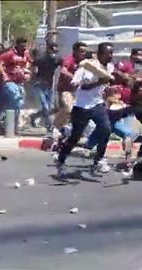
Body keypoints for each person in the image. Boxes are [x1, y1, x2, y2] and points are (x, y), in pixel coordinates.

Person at [56, 42, 115, 176]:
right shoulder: (86, 67)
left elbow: (111, 80)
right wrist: (101, 81)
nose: (111, 56)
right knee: (75, 137)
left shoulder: (110, 67)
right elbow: (83, 87)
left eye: (112, 53)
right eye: (108, 53)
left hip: (97, 104)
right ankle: (61, 160)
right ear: (100, 54)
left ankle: (99, 160)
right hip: (82, 106)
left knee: (106, 129)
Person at [30, 42, 64, 132]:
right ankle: (49, 127)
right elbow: (33, 66)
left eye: (56, 50)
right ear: (48, 50)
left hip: (49, 86)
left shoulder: (58, 59)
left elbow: (63, 68)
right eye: (52, 50)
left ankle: (34, 116)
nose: (54, 52)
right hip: (39, 85)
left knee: (50, 108)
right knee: (45, 106)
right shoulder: (41, 59)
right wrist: (32, 77)